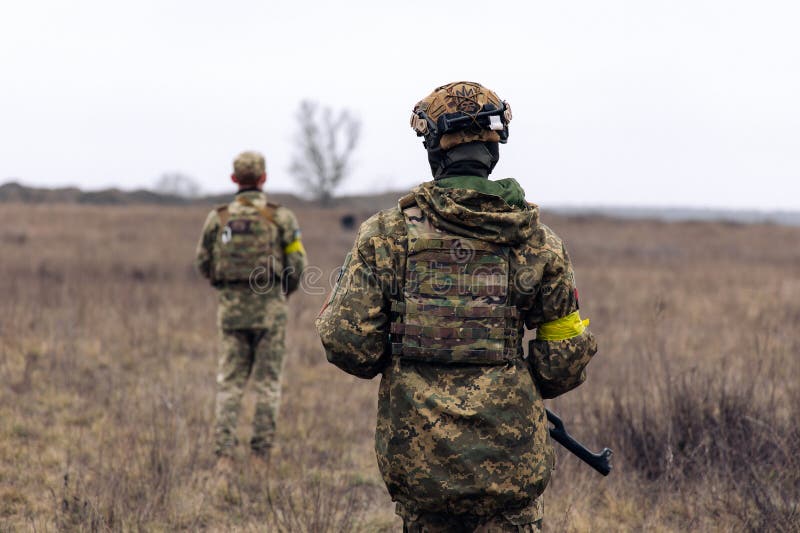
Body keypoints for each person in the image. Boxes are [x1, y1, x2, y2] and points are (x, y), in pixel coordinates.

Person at [316, 82, 598, 532]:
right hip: (511, 471)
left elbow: (351, 347)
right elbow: (560, 367)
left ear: (433, 150)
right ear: (494, 150)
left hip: (420, 469)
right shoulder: (539, 241)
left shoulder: (385, 234)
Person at [195, 150, 307, 472]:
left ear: (234, 180)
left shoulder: (218, 218)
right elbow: (297, 264)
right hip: (270, 312)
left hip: (231, 314)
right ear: (264, 178)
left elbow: (203, 262)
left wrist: (226, 290)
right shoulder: (281, 217)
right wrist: (282, 293)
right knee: (268, 385)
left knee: (229, 384)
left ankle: (224, 457)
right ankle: (261, 456)